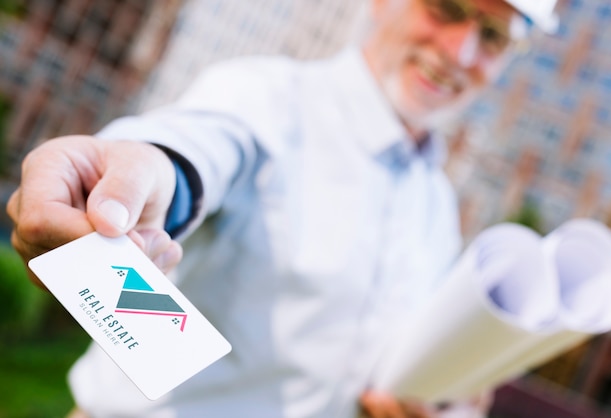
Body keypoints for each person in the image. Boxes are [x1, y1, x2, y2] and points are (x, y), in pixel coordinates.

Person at [7, 0, 559, 417]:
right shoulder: (263, 99)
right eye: (446, 9)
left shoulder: (436, 204)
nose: (460, 53)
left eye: (491, 37)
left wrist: (438, 398)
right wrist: (136, 177)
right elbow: (193, 155)